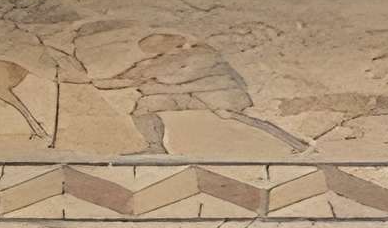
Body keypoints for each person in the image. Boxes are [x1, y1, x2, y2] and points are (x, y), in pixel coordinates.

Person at [84, 33, 309, 155]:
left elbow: (183, 81)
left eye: (157, 48)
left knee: (236, 118)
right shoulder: (157, 62)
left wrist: (155, 84)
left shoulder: (202, 56)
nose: (154, 53)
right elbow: (125, 79)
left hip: (217, 93)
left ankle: (295, 143)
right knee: (146, 106)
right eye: (151, 50)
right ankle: (155, 148)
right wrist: (83, 81)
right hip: (186, 95)